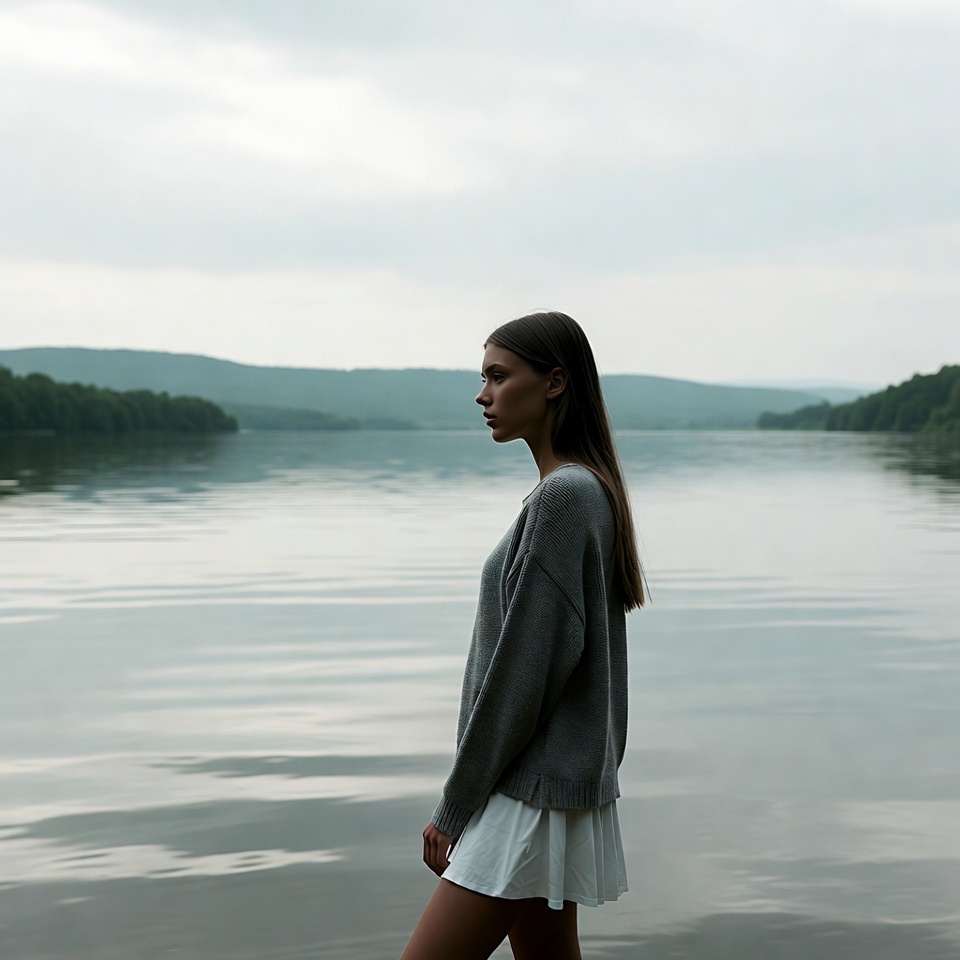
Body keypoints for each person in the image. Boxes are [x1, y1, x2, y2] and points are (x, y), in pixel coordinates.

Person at [400, 311, 645, 960]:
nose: (483, 395)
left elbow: (521, 678)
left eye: (499, 377)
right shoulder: (586, 491)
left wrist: (455, 807)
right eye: (484, 379)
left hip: (528, 796)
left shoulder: (564, 498)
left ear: (555, 383)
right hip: (545, 788)